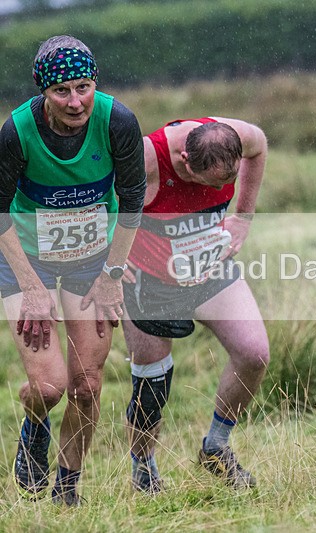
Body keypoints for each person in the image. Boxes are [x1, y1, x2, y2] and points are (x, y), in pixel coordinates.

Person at [0, 35, 146, 505]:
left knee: (86, 386)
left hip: (92, 261)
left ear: (94, 83)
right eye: (61, 91)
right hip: (25, 259)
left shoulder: (117, 120)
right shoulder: (16, 131)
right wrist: (31, 286)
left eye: (83, 87)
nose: (75, 101)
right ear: (44, 93)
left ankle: (66, 489)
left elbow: (134, 200)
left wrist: (112, 272)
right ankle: (34, 423)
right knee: (48, 386)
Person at [120, 117, 269, 493]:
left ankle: (216, 447)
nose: (221, 190)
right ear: (186, 161)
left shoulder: (238, 134)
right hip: (151, 280)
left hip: (209, 266)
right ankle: (144, 470)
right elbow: (97, 196)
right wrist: (110, 260)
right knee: (152, 387)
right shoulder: (146, 158)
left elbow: (260, 145)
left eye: (226, 181)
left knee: (254, 354)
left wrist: (243, 216)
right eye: (213, 183)